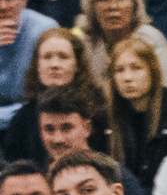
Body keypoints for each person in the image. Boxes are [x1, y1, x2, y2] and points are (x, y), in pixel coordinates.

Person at [1, 28, 109, 165]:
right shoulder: (23, 120)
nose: (54, 65)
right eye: (47, 57)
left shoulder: (98, 112)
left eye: (63, 57)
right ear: (37, 65)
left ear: (77, 64)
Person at [75, 0, 167, 99]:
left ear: (135, 5)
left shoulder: (150, 39)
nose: (113, 6)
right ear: (90, 7)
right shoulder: (83, 43)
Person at [107, 37, 167, 192]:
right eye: (119, 70)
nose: (127, 78)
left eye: (136, 68)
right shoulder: (105, 120)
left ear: (152, 71)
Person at [0, 0, 57, 124]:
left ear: (23, 0)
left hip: (30, 122)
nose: (2, 6)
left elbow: (49, 94)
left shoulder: (44, 30)